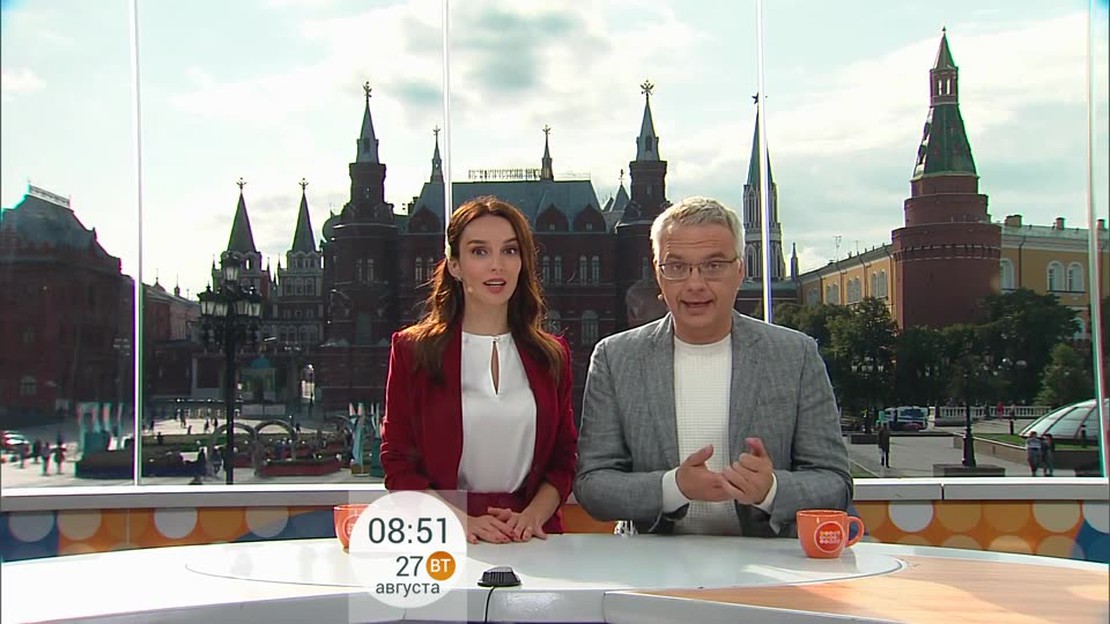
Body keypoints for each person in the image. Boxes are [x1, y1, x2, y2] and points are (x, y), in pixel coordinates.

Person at [574, 196, 851, 537]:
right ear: (658, 274)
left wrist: (771, 490)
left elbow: (835, 483)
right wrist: (673, 487)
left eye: (714, 265)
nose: (695, 284)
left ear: (740, 271)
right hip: (652, 560)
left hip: (770, 561)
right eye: (677, 267)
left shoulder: (795, 355)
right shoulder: (616, 358)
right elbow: (593, 486)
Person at [381, 195, 577, 545]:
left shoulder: (552, 355)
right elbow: (398, 465)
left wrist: (531, 517)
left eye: (510, 251)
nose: (497, 265)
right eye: (480, 252)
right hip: (445, 538)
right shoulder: (413, 351)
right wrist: (460, 522)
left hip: (533, 538)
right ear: (455, 265)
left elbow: (564, 459)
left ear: (523, 262)